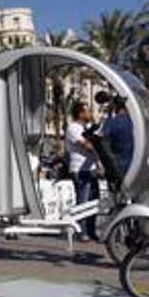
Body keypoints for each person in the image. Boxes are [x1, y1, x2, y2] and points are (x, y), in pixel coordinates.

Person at [66, 101, 100, 241]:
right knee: (83, 202)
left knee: (93, 202)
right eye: (87, 111)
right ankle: (81, 231)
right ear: (80, 113)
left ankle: (91, 231)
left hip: (91, 169)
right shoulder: (73, 128)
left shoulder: (87, 128)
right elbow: (86, 145)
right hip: (80, 170)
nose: (90, 114)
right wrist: (98, 147)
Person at [102, 99, 134, 176]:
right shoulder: (132, 122)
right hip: (133, 164)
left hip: (117, 164)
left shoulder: (111, 122)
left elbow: (103, 143)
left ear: (115, 108)